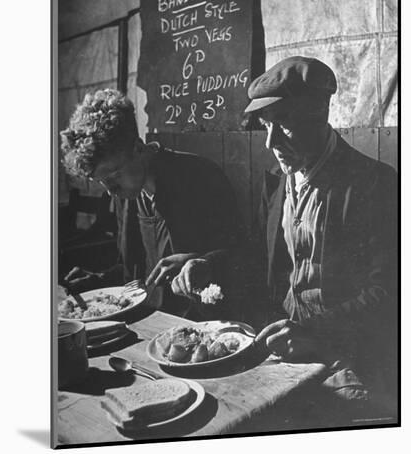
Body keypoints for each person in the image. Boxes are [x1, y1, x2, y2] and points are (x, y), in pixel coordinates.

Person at [244, 56, 398, 418]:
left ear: (319, 113)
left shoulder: (373, 183)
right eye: (265, 126)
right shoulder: (277, 183)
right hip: (284, 347)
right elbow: (256, 263)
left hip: (349, 354)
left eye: (283, 124)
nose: (270, 142)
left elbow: (388, 294)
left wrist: (315, 332)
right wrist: (208, 265)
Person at [60, 88, 241, 319]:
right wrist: (98, 281)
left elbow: (244, 257)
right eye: (101, 182)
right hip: (147, 321)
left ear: (137, 147)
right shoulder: (126, 195)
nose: (110, 191)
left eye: (114, 176)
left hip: (201, 324)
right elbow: (136, 276)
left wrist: (204, 262)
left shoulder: (201, 177)